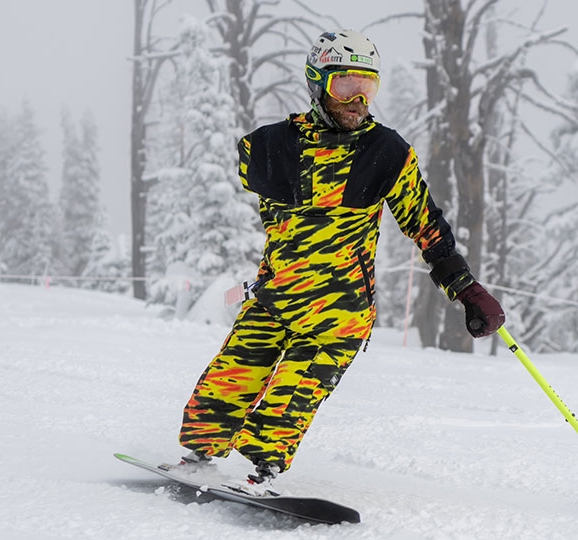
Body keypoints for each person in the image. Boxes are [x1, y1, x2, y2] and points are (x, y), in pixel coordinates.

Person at [178, 29, 505, 495]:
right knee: (228, 379)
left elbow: (424, 225)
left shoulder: (386, 153)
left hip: (339, 309)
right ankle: (198, 459)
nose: (357, 101)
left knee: (291, 397)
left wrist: (466, 289)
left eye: (367, 88)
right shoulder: (267, 147)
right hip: (275, 296)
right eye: (345, 87)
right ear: (317, 84)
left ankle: (261, 473)